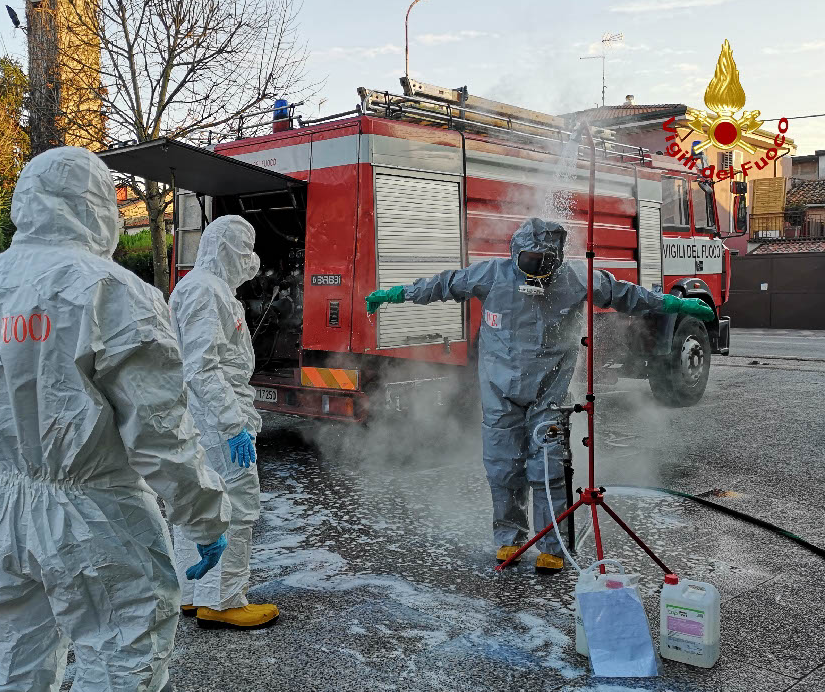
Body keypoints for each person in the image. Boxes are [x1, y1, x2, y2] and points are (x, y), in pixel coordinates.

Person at [0, 146, 231, 692]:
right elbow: (160, 434)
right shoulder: (112, 291)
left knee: (4, 676)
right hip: (97, 517)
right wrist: (203, 515)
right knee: (121, 689)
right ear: (97, 206)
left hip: (4, 513)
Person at [365, 217, 715, 574]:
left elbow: (629, 296)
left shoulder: (576, 279)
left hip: (549, 393)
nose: (537, 270)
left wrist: (675, 305)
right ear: (516, 254)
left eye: (545, 263)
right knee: (502, 468)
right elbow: (443, 284)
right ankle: (509, 540)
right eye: (529, 261)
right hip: (499, 393)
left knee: (548, 468)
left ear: (558, 260)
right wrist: (398, 294)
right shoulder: (491, 275)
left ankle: (552, 544)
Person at [168, 215, 280, 630]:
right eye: (244, 250)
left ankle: (194, 592)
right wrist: (233, 425)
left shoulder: (205, 288)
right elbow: (202, 367)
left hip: (206, 415)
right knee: (236, 506)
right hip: (216, 418)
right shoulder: (204, 291)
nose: (249, 262)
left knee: (197, 502)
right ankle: (225, 599)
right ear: (228, 250)